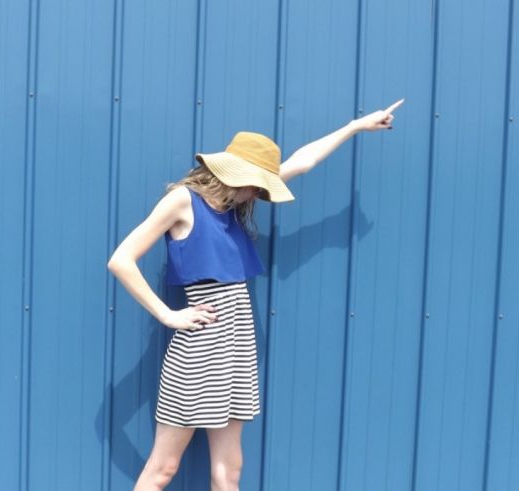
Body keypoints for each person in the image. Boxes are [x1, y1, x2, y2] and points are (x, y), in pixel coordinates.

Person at [107, 98, 404, 491]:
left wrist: (355, 127)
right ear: (234, 174)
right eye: (255, 185)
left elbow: (303, 161)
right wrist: (169, 315)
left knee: (229, 472)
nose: (256, 195)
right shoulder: (182, 201)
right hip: (200, 348)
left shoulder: (231, 207)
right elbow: (121, 260)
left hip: (238, 346)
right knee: (163, 469)